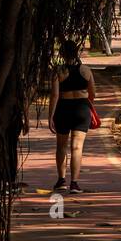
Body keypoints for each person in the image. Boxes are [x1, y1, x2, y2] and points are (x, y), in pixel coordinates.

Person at [48, 39, 97, 192]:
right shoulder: (86, 70)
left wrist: (51, 116)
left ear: (62, 54)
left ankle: (61, 180)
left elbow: (55, 95)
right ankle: (74, 183)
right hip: (82, 108)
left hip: (63, 108)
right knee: (77, 147)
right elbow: (92, 94)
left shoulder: (58, 71)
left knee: (61, 146)